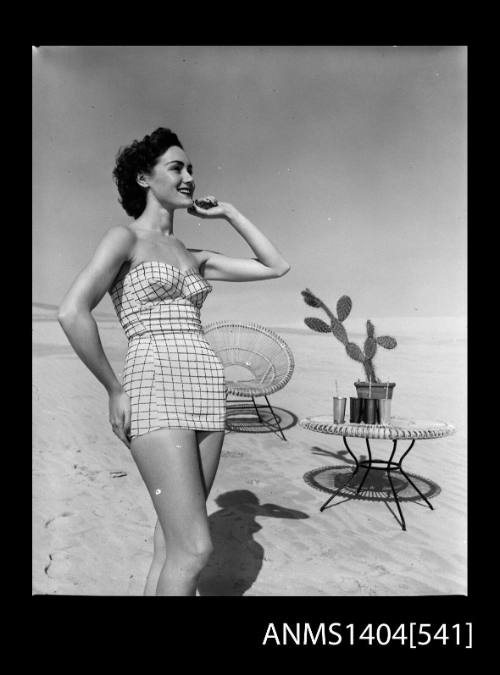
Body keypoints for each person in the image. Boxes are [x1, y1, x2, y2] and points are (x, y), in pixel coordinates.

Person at [58, 127, 291, 596]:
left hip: (207, 389)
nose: (189, 177)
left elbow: (275, 266)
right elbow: (72, 311)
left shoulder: (194, 255)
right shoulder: (124, 238)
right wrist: (113, 388)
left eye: (191, 169)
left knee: (172, 543)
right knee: (196, 550)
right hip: (153, 386)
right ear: (144, 177)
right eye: (176, 167)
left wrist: (230, 214)